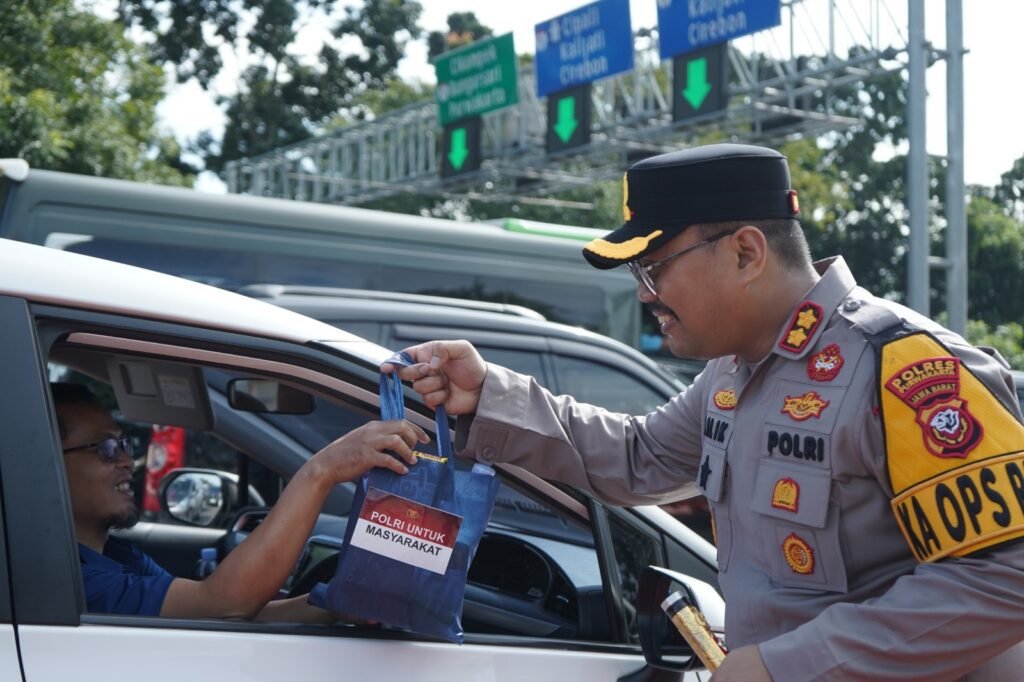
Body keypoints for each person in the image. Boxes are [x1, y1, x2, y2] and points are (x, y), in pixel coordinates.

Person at [386, 144, 1024, 681]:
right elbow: (640, 457)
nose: (645, 294)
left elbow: (1007, 577)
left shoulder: (906, 368)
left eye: (654, 268)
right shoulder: (735, 366)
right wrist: (489, 394)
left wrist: (783, 667)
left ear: (746, 253)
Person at [53, 381, 426, 621]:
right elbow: (222, 604)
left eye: (123, 443)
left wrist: (341, 604)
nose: (126, 460)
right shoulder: (73, 581)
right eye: (105, 448)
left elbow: (228, 616)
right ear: (48, 461)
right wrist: (321, 470)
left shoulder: (117, 556)